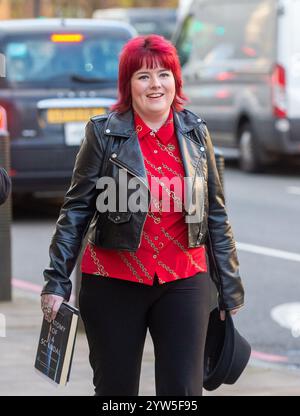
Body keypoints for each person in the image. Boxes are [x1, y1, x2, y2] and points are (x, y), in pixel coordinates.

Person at [41, 35, 244, 396]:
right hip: (112, 281)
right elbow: (76, 210)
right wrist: (57, 281)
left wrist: (229, 289)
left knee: (183, 392)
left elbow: (215, 213)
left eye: (164, 74)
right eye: (144, 76)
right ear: (128, 84)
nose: (155, 85)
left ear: (175, 81)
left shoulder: (196, 132)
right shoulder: (103, 133)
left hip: (184, 279)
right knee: (116, 392)